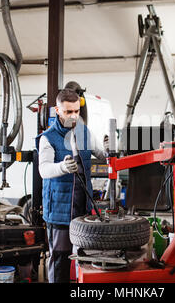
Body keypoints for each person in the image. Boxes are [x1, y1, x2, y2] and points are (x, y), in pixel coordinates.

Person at [36, 87, 108, 283]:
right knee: (60, 256)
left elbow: (101, 155)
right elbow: (44, 170)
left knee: (84, 255)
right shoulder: (48, 138)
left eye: (76, 111)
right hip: (59, 209)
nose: (73, 116)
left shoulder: (84, 132)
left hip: (82, 205)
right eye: (68, 112)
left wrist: (108, 150)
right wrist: (62, 167)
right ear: (57, 111)